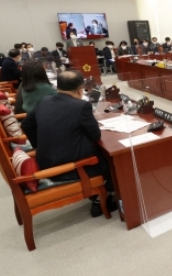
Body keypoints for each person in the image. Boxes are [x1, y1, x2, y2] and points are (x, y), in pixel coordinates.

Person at [21, 70, 117, 217]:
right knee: (113, 159)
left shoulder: (45, 100)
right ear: (80, 90)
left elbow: (26, 124)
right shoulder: (81, 106)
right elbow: (95, 135)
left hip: (44, 161)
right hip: (69, 168)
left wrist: (39, 145)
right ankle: (100, 201)